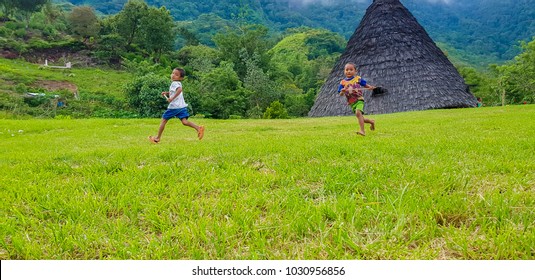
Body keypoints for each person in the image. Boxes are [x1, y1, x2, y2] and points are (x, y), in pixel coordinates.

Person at [149, 68, 204, 143]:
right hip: (181, 106)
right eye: (173, 73)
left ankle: (157, 138)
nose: (173, 75)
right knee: (184, 122)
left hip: (174, 107)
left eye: (176, 75)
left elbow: (179, 90)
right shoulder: (177, 83)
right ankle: (198, 128)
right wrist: (167, 93)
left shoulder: (175, 83)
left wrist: (171, 98)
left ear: (181, 78)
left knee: (164, 120)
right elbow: (174, 91)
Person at [338, 63, 376, 136]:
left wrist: (370, 87)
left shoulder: (357, 79)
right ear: (344, 71)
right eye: (347, 70)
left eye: (351, 70)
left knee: (358, 113)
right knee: (361, 117)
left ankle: (362, 131)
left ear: (355, 71)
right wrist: (342, 92)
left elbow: (365, 85)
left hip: (359, 99)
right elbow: (340, 94)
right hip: (351, 102)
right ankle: (371, 122)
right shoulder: (342, 82)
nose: (349, 71)